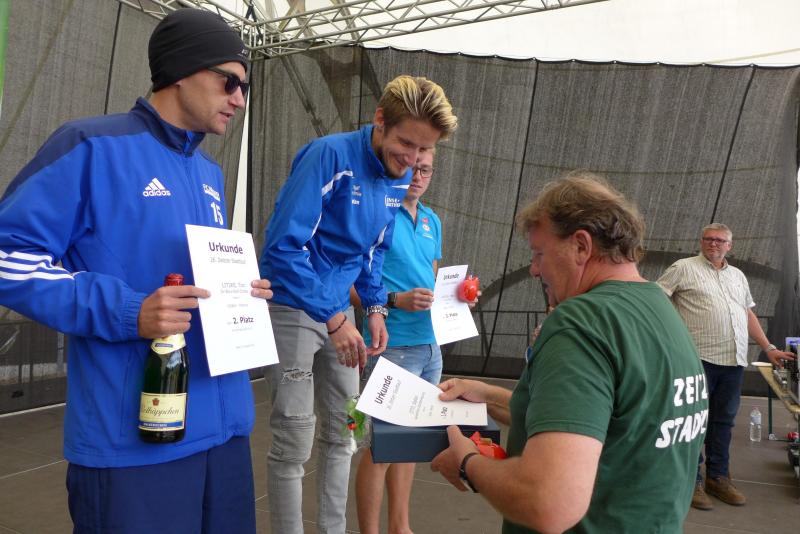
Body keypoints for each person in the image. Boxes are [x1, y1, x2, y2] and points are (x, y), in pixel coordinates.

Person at [0, 9, 270, 533]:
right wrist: (128, 311)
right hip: (133, 442)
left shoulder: (209, 171)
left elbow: (192, 276)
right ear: (181, 71)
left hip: (226, 433)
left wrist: (241, 291)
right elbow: (8, 255)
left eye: (246, 86)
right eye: (229, 82)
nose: (239, 98)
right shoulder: (90, 145)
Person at [430, 172, 708, 534]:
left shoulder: (581, 321)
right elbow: (596, 419)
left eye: (539, 253)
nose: (534, 270)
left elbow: (548, 502)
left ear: (580, 246)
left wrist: (467, 462)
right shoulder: (657, 307)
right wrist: (488, 396)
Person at [259, 75, 457, 534]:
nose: (411, 161)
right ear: (380, 119)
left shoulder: (399, 176)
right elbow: (282, 248)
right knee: (294, 439)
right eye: (405, 144)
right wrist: (333, 317)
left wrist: (373, 308)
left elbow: (375, 250)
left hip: (341, 318)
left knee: (344, 434)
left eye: (423, 151)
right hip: (295, 308)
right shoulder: (328, 156)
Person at [657, 223, 795, 510]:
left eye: (720, 240)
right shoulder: (683, 268)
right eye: (709, 239)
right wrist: (672, 337)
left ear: (729, 246)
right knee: (693, 421)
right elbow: (657, 299)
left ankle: (718, 477)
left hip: (733, 362)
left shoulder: (738, 276)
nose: (714, 244)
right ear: (701, 241)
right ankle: (691, 481)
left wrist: (768, 347)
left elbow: (747, 313)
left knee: (723, 422)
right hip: (697, 360)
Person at [353, 149, 447, 534]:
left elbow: (434, 279)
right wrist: (395, 300)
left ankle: (400, 526)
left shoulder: (431, 219)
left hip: (430, 346)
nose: (418, 177)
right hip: (391, 346)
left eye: (426, 170)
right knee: (382, 449)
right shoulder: (376, 214)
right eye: (413, 169)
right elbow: (352, 285)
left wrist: (457, 297)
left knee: (409, 444)